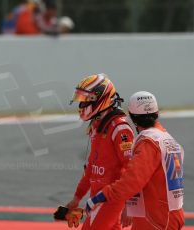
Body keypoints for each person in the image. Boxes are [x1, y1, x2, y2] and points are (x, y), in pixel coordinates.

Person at [86, 91, 185, 229]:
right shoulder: (167, 139)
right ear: (156, 113)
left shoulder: (149, 142)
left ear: (132, 117)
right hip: (168, 213)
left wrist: (102, 195)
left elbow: (132, 181)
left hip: (155, 218)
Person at [65, 73, 134, 229]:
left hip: (112, 200)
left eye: (84, 102)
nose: (81, 106)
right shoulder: (97, 126)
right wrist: (77, 198)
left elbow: (132, 169)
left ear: (99, 98)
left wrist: (131, 204)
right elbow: (90, 167)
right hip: (97, 199)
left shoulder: (119, 127)